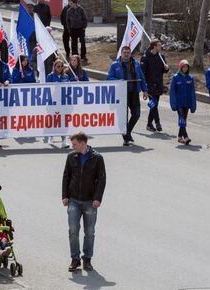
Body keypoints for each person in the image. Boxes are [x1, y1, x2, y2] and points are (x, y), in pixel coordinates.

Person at [62, 131, 106, 272]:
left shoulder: (97, 158)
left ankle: (87, 259)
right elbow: (66, 176)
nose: (72, 146)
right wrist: (65, 195)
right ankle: (75, 259)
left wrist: (97, 198)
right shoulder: (71, 157)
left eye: (74, 144)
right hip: (74, 200)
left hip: (90, 202)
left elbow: (102, 179)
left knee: (89, 232)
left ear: (83, 143)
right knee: (73, 230)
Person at [107, 46, 149, 146]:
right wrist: (118, 81)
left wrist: (145, 90)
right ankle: (126, 138)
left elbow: (142, 77)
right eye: (124, 52)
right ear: (121, 53)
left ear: (130, 53)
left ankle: (128, 132)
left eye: (128, 52)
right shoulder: (115, 65)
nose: (126, 54)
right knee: (123, 117)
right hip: (121, 94)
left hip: (134, 92)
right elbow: (109, 77)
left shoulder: (136, 64)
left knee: (136, 114)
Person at [140, 40, 169, 132]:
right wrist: (143, 87)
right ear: (154, 46)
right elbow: (142, 73)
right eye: (159, 45)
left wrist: (166, 69)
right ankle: (157, 123)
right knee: (154, 105)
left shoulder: (161, 56)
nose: (161, 47)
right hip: (149, 85)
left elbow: (163, 71)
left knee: (154, 105)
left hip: (158, 84)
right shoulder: (145, 57)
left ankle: (149, 124)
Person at [170, 60, 197, 145]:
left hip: (187, 103)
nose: (185, 68)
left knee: (184, 120)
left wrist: (193, 105)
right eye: (183, 67)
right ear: (180, 67)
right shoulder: (175, 77)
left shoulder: (190, 78)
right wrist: (173, 104)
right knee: (182, 118)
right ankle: (186, 136)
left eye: (186, 67)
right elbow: (172, 92)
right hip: (179, 103)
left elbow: (192, 92)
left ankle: (179, 137)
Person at [46, 59, 70, 148]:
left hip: (63, 102)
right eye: (58, 66)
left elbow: (69, 89)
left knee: (63, 121)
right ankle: (51, 136)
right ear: (54, 67)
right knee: (53, 120)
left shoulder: (66, 76)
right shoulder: (50, 76)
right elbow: (47, 89)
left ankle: (64, 141)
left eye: (61, 66)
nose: (60, 68)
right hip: (53, 102)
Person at [66, 0, 88, 64]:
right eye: (70, 3)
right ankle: (75, 56)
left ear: (75, 3)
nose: (70, 4)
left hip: (80, 29)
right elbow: (67, 20)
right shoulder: (69, 10)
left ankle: (83, 56)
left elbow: (85, 19)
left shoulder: (81, 10)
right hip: (73, 29)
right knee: (73, 43)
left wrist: (84, 27)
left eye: (71, 3)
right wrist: (69, 28)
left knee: (82, 42)